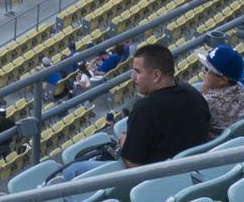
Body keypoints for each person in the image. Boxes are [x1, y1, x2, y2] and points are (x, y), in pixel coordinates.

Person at [55, 43, 211, 180]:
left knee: (71, 170)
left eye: (137, 71)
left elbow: (132, 164)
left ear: (156, 75)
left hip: (154, 180)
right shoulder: (192, 92)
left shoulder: (145, 109)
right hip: (188, 171)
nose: (132, 77)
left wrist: (124, 142)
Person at [196, 45, 244, 136]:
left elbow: (193, 111)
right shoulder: (242, 88)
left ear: (222, 80)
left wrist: (204, 88)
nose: (203, 71)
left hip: (218, 146)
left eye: (207, 69)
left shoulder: (209, 102)